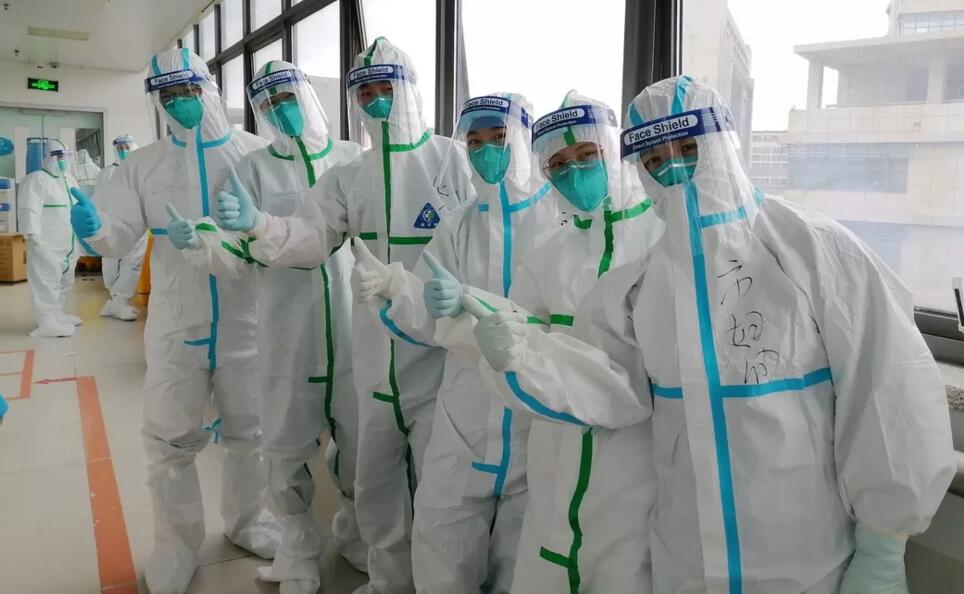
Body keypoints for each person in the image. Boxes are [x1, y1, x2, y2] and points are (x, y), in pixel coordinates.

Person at [473, 76, 957, 593]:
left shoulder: (812, 249)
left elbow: (888, 390)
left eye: (688, 148)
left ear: (723, 141)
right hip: (687, 560)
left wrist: (883, 544)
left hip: (806, 560)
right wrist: (523, 358)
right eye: (654, 159)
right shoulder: (639, 287)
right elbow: (610, 386)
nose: (673, 168)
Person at [212, 37, 475, 594]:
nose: (377, 100)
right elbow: (311, 237)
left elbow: (491, 235)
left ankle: (440, 582)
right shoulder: (352, 175)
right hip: (375, 356)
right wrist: (260, 225)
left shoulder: (451, 159)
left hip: (443, 357)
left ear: (410, 89)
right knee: (375, 479)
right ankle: (388, 579)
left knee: (444, 486)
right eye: (366, 92)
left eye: (387, 88)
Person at [69, 48, 281, 594]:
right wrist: (94, 228)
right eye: (169, 95)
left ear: (210, 89)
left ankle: (248, 521)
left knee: (251, 431)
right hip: (175, 324)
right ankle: (176, 547)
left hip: (246, 321)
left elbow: (282, 232)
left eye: (189, 90)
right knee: (168, 441)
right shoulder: (145, 164)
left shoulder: (255, 153)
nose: (181, 102)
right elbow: (118, 235)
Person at [168, 59, 367, 594]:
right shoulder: (251, 169)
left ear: (310, 96)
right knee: (284, 446)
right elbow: (235, 256)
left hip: (354, 330)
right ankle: (297, 550)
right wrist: (203, 243)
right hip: (285, 334)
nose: (282, 109)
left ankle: (358, 534)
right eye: (269, 102)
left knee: (361, 444)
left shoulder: (351, 159)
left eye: (288, 96)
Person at [456, 91, 664, 593]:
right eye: (560, 164)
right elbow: (519, 335)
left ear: (615, 152)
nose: (575, 172)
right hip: (558, 457)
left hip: (638, 472)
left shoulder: (662, 241)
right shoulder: (549, 252)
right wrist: (499, 345)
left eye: (587, 155)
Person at [350, 92, 558, 592]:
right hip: (465, 410)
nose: (486, 151)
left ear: (524, 139)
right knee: (441, 536)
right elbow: (427, 315)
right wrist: (396, 290)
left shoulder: (558, 219)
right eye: (475, 141)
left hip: (537, 416)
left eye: (498, 138)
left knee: (524, 555)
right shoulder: (459, 223)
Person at [18, 148, 83, 337]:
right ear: (49, 157)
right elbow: (29, 208)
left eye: (66, 157)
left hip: (69, 242)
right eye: (59, 157)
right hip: (46, 243)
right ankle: (46, 323)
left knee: (65, 280)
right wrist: (34, 236)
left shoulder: (70, 180)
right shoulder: (37, 179)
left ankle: (57, 315)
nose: (63, 161)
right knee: (46, 282)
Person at [94, 134, 145, 321]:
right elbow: (99, 198)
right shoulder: (107, 173)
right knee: (110, 259)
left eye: (127, 147)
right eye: (120, 148)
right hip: (111, 222)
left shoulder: (141, 170)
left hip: (137, 222)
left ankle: (118, 301)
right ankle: (116, 300)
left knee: (133, 261)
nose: (123, 151)